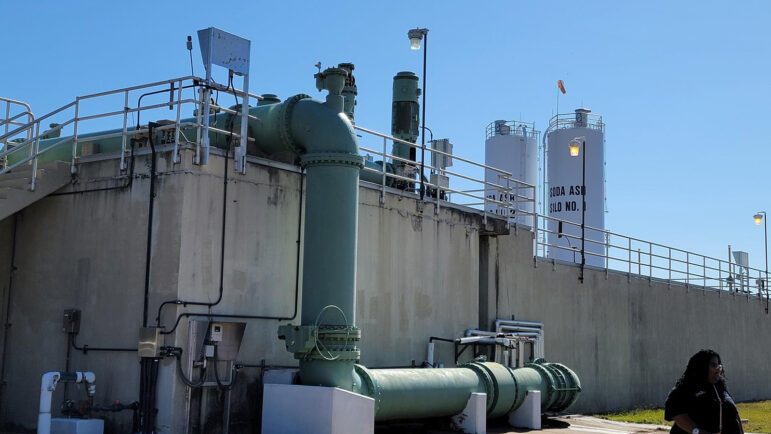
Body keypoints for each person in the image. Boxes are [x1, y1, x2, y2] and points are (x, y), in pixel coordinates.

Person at [665, 349, 744, 434]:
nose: (718, 369)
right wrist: (697, 431)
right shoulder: (686, 388)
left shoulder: (719, 387)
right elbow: (677, 414)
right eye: (713, 365)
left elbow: (734, 412)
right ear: (702, 367)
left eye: (719, 366)